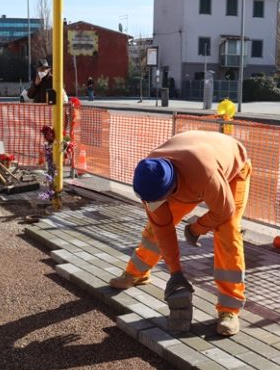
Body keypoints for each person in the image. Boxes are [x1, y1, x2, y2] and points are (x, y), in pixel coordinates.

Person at [108, 131, 252, 336]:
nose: (153, 205)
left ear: (171, 187)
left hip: (232, 169)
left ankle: (229, 309)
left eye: (158, 200)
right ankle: (136, 273)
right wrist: (176, 273)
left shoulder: (204, 174)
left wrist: (196, 228)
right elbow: (163, 230)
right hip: (194, 163)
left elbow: (223, 210)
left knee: (227, 231)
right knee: (154, 230)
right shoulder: (150, 174)